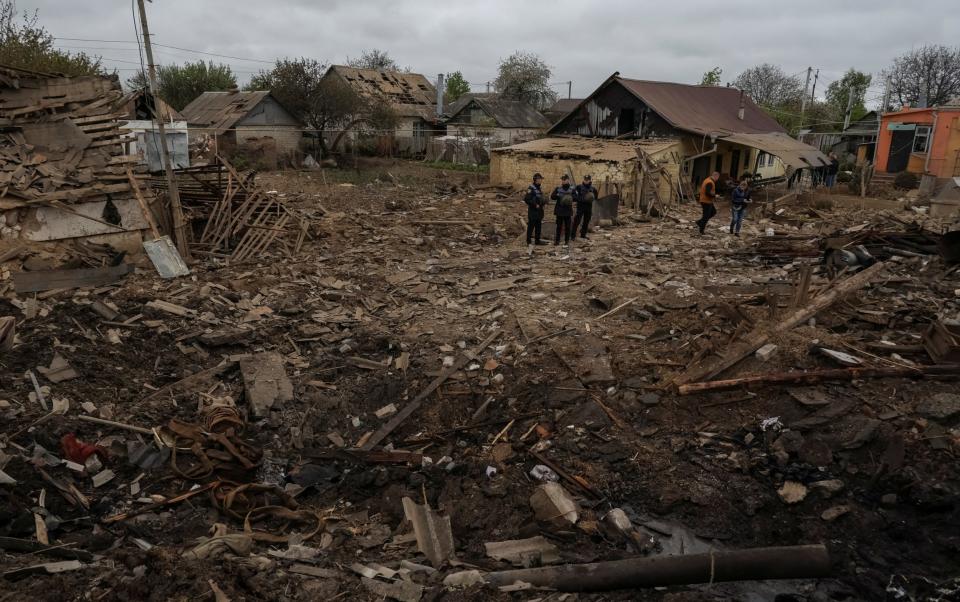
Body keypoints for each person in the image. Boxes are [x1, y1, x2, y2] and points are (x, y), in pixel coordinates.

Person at [550, 174, 576, 246]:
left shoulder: (572, 189)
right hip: (560, 210)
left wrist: (570, 197)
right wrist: (557, 195)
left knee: (568, 227)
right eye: (562, 180)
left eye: (565, 179)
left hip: (567, 210)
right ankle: (557, 241)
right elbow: (552, 197)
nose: (563, 181)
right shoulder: (558, 188)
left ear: (568, 180)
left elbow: (576, 197)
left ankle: (566, 241)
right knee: (559, 226)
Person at [523, 173, 547, 247]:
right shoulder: (531, 188)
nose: (541, 180)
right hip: (533, 211)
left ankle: (537, 240)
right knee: (531, 226)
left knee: (538, 226)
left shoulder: (539, 188)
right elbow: (526, 199)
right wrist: (534, 204)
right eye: (539, 179)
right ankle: (528, 241)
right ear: (536, 180)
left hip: (539, 210)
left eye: (541, 179)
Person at [572, 174, 597, 240]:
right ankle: (573, 235)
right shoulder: (579, 187)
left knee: (586, 221)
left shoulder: (593, 188)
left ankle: (583, 235)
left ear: (590, 180)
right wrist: (580, 199)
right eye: (585, 180)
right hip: (581, 206)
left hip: (588, 206)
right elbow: (573, 195)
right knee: (577, 221)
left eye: (587, 180)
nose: (586, 181)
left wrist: (591, 198)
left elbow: (596, 197)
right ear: (583, 180)